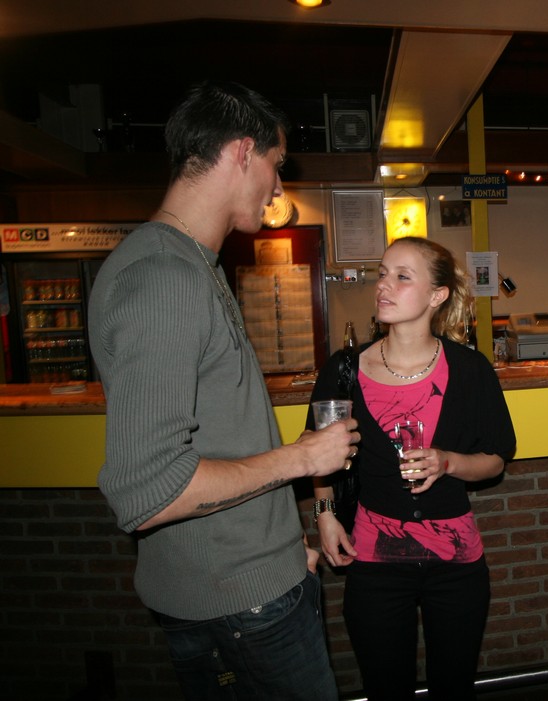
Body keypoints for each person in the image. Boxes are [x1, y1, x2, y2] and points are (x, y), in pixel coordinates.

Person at [88, 81, 360, 700]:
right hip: (242, 609)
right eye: (276, 164)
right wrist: (301, 458)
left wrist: (284, 551)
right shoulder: (164, 277)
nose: (278, 187)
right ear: (242, 151)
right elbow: (149, 491)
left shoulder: (190, 265)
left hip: (248, 588)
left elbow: (214, 439)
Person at [311, 236, 516, 701]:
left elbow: (496, 459)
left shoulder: (470, 369)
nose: (384, 285)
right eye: (382, 274)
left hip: (455, 562)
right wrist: (325, 515)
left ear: (437, 295)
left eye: (403, 277)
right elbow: (316, 454)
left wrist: (448, 462)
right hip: (375, 560)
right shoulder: (344, 370)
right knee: (386, 688)